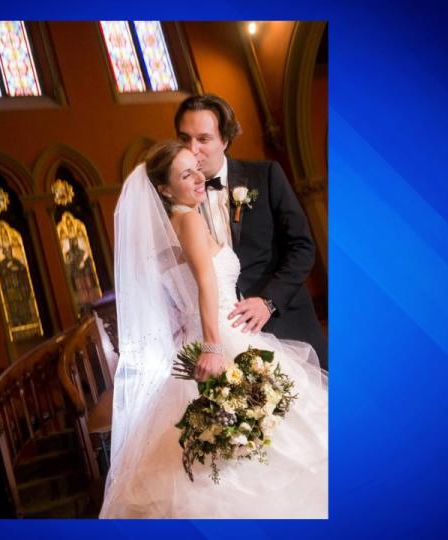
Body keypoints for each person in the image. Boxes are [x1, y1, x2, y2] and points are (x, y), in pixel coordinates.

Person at [100, 141, 328, 519]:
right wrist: (213, 348)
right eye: (185, 174)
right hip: (222, 338)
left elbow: (173, 299)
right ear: (164, 189)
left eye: (197, 169)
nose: (198, 178)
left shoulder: (169, 229)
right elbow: (207, 285)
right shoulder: (188, 220)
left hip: (207, 335)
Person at [176, 94, 327, 369]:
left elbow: (302, 247)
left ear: (225, 140)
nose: (192, 149)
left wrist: (268, 302)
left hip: (285, 325)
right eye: (185, 139)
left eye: (203, 139)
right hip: (224, 340)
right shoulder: (177, 202)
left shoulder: (265, 176)